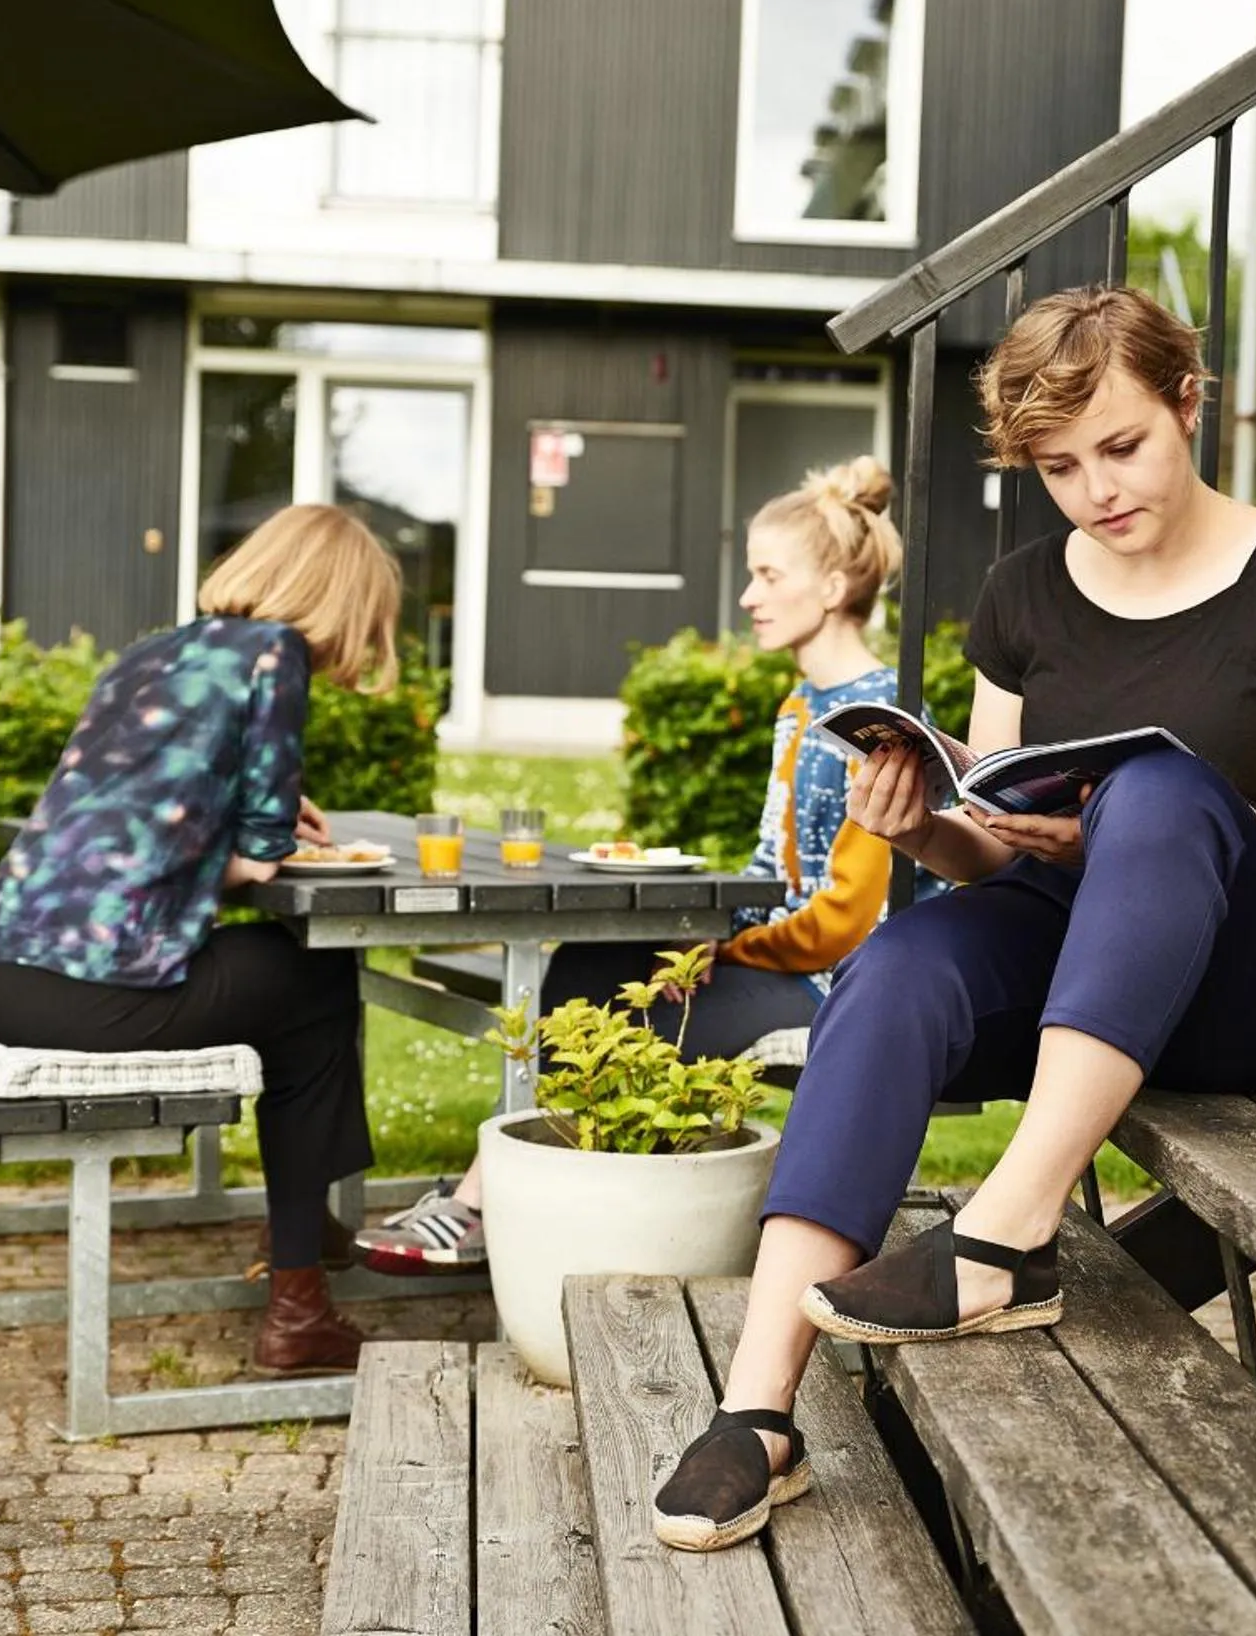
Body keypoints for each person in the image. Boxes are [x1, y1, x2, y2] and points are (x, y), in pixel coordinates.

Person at [651, 285, 1256, 1552]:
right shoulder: (1024, 593)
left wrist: (1116, 827)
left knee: (1157, 790)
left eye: (1121, 447)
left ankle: (1004, 1232)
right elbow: (994, 838)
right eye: (1058, 467)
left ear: (1187, 404)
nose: (1096, 489)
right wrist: (921, 820)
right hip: (1079, 951)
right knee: (897, 969)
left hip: (1255, 978)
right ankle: (757, 1410)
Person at [354, 456, 909, 1276]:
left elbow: (852, 916)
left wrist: (719, 953)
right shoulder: (800, 709)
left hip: (839, 989)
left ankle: (490, 1206)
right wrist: (701, 936)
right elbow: (770, 868)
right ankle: (513, 1201)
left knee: (608, 996)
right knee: (588, 962)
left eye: (766, 576)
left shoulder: (877, 718)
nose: (749, 597)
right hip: (781, 962)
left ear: (831, 588)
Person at [0, 504, 402, 1378]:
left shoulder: (152, 654)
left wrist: (242, 836)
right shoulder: (275, 654)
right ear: (344, 598)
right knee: (318, 979)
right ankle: (298, 1297)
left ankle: (305, 1228)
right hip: (96, 990)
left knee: (291, 976)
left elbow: (153, 815)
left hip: (8, 974)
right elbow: (265, 855)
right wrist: (267, 835)